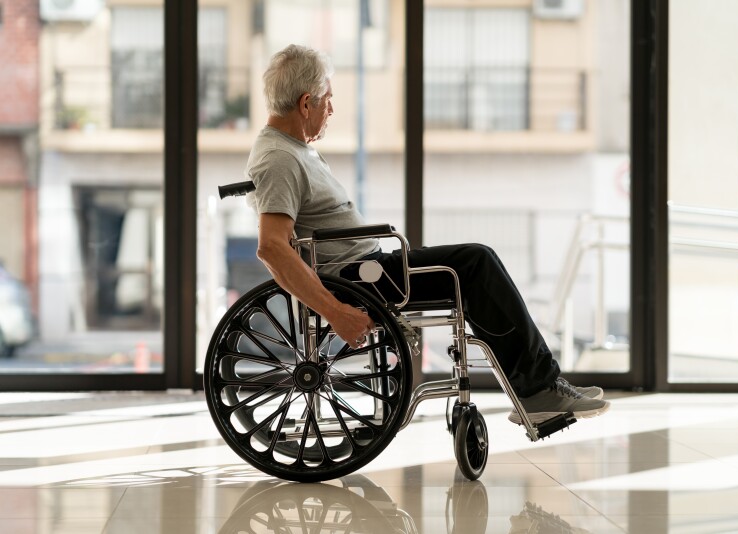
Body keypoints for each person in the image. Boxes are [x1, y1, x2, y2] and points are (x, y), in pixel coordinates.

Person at [246, 44, 609, 426]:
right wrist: (336, 313)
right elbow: (272, 247)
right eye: (328, 100)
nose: (332, 109)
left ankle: (538, 385)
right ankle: (538, 389)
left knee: (473, 266)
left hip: (369, 272)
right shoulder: (279, 158)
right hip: (359, 280)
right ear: (306, 104)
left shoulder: (295, 150)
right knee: (475, 264)